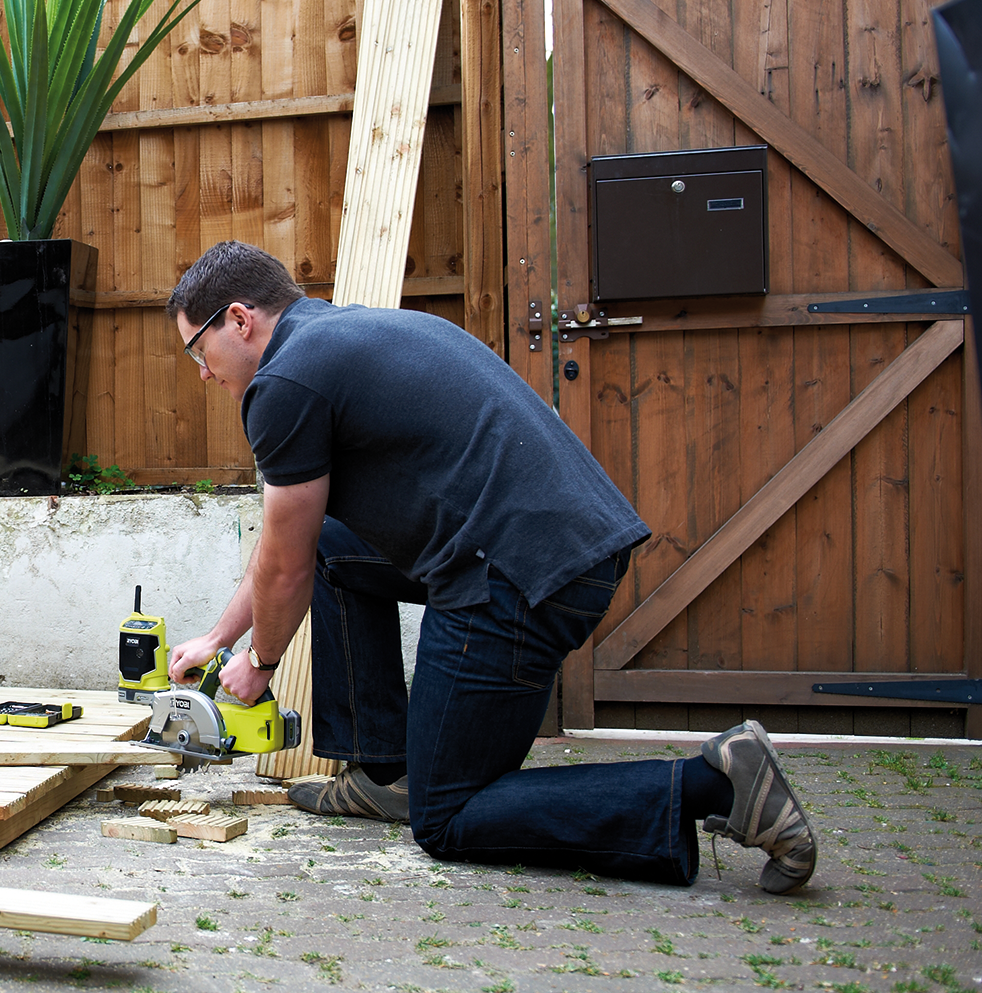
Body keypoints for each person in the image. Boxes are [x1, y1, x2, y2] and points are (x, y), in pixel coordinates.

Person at [162, 241, 816, 893]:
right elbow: (292, 542)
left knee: (447, 813)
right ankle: (383, 773)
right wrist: (221, 638)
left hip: (514, 574)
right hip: (556, 550)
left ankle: (720, 781)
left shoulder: (284, 382)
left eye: (198, 349)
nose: (202, 372)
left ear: (241, 320)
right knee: (334, 543)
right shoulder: (337, 338)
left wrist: (264, 662)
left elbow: (283, 571)